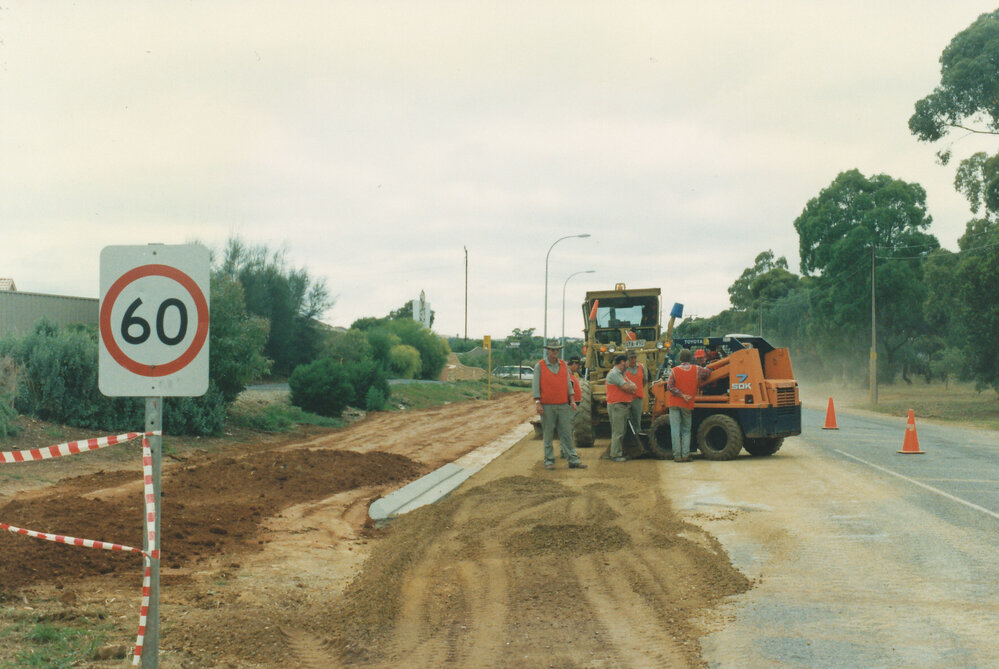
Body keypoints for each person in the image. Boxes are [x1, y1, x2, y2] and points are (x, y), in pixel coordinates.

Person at [532, 341, 587, 470]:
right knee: (548, 434)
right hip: (547, 406)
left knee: (566, 433)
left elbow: (568, 383)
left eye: (557, 350)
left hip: (563, 405)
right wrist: (537, 402)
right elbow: (535, 385)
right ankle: (549, 461)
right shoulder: (539, 366)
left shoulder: (563, 365)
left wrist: (572, 400)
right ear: (548, 351)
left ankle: (573, 460)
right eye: (552, 350)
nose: (555, 352)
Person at [666, 349, 712, 462]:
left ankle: (677, 456)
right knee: (686, 430)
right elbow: (708, 373)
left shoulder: (674, 370)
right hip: (687, 404)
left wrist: (681, 394)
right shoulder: (697, 370)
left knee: (675, 430)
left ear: (680, 359)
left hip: (674, 403)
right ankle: (685, 455)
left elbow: (670, 386)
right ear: (691, 358)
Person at [604, 353, 638, 462]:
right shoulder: (614, 374)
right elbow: (627, 387)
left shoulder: (622, 374)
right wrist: (631, 387)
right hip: (617, 405)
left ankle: (617, 452)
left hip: (622, 406)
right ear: (622, 362)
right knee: (618, 431)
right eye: (627, 362)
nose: (629, 364)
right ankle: (615, 455)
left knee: (621, 430)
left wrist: (631, 387)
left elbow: (633, 386)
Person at [623, 351, 649, 439]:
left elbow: (645, 380)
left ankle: (637, 438)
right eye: (631, 358)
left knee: (637, 420)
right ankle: (627, 439)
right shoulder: (623, 368)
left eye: (635, 357)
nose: (633, 360)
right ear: (627, 359)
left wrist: (638, 389)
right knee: (625, 420)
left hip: (637, 398)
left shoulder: (641, 367)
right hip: (625, 398)